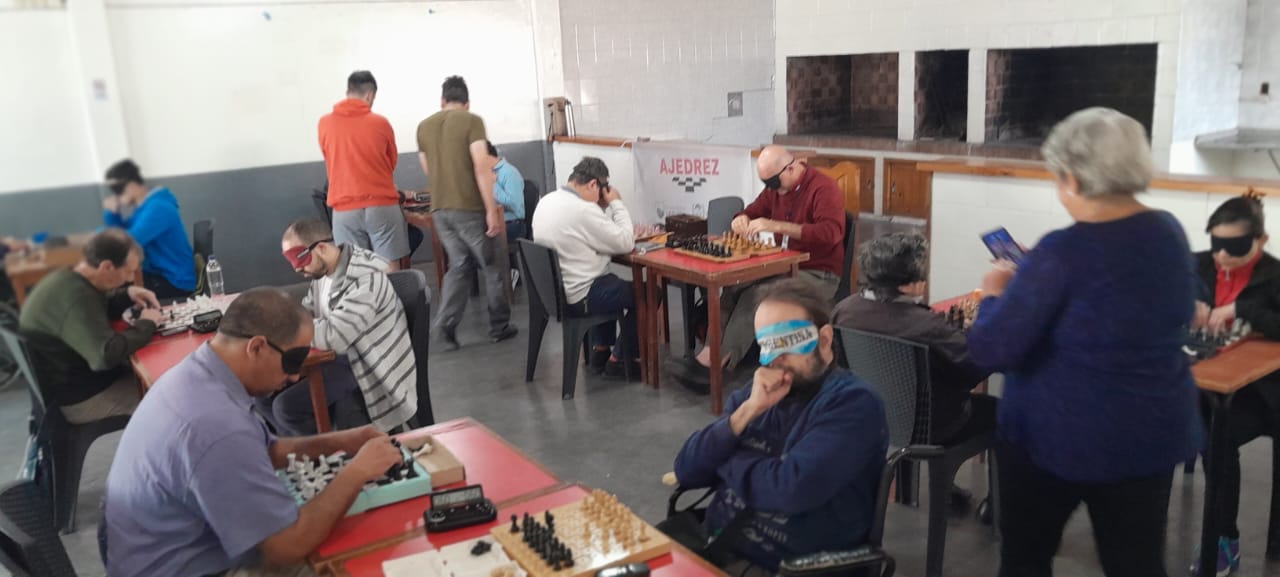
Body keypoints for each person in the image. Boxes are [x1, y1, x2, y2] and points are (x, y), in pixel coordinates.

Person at [965, 107, 1201, 577]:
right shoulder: (1168, 231)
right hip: (1149, 431)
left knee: (1026, 560)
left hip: (1059, 435)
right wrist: (1038, 271)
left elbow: (993, 349)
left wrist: (994, 293)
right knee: (1136, 563)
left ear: (1072, 179)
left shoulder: (1061, 252)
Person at [104, 288, 405, 577]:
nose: (295, 376)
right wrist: (357, 472)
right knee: (363, 559)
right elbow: (288, 546)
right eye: (292, 360)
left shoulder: (199, 373)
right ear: (257, 347)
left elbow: (265, 450)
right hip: (188, 569)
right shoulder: (217, 426)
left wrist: (343, 440)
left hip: (150, 554)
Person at [671, 278, 888, 573]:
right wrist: (744, 414)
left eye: (788, 341)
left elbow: (790, 489)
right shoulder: (755, 394)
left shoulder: (854, 403)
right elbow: (686, 469)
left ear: (824, 339)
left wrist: (726, 460)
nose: (776, 356)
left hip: (789, 567)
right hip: (713, 545)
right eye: (767, 344)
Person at [832, 232, 994, 507]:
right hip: (930, 426)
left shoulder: (844, 310)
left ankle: (940, 484)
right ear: (909, 285)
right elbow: (976, 368)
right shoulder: (925, 325)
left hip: (869, 412)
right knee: (1000, 412)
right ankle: (996, 506)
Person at [679, 145, 845, 386]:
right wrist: (740, 219)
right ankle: (708, 354)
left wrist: (777, 226)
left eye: (773, 182)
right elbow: (751, 211)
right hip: (782, 265)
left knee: (756, 297)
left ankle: (721, 364)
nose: (772, 189)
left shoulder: (823, 188)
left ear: (790, 168)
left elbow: (831, 233)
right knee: (733, 288)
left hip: (818, 272)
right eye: (766, 183)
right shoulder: (775, 189)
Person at [1190, 195, 1280, 576]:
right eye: (1217, 245)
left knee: (1217, 438)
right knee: (1162, 415)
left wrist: (1241, 309)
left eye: (1235, 246)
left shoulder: (1273, 276)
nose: (1223, 256)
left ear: (1260, 240)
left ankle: (1224, 537)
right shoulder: (1197, 265)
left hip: (1261, 391)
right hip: (1205, 378)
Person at [265, 218, 417, 436]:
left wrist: (291, 328)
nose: (297, 268)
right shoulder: (323, 274)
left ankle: (325, 449)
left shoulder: (366, 277)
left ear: (321, 248)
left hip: (366, 364)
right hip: (341, 358)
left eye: (300, 259)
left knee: (286, 408)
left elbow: (334, 336)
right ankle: (308, 447)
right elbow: (306, 312)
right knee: (264, 392)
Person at [18, 229, 160, 424]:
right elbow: (104, 355)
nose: (129, 279)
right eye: (128, 272)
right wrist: (146, 324)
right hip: (84, 399)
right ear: (106, 267)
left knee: (156, 382)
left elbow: (94, 309)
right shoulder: (77, 297)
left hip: (80, 384)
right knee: (167, 400)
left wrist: (127, 294)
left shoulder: (69, 279)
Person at [417, 75, 516, 350]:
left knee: (459, 265)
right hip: (469, 207)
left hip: (439, 209)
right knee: (492, 266)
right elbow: (481, 166)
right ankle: (499, 326)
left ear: (442, 101)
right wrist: (491, 209)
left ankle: (444, 328)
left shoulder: (424, 127)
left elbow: (427, 168)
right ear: (467, 102)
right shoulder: (472, 121)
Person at [531, 157, 637, 378]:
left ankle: (601, 350)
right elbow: (626, 242)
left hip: (554, 295)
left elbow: (590, 234)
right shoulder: (582, 210)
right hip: (581, 296)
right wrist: (616, 204)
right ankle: (618, 360)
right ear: (592, 184)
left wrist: (600, 209)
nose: (601, 198)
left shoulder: (547, 201)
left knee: (609, 280)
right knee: (647, 293)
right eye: (602, 190)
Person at [318, 70, 410, 270]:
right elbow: (390, 162)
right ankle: (391, 292)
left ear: (347, 92)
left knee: (354, 269)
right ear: (370, 95)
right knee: (389, 267)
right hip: (381, 204)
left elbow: (330, 159)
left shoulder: (324, 124)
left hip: (344, 208)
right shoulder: (380, 123)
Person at [103, 159, 196, 300]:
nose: (116, 197)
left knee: (119, 295)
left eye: (117, 191)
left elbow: (127, 242)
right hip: (160, 274)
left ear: (131, 185)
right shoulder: (144, 208)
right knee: (118, 288)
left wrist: (109, 215)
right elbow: (121, 233)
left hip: (175, 280)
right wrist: (112, 214)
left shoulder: (158, 208)